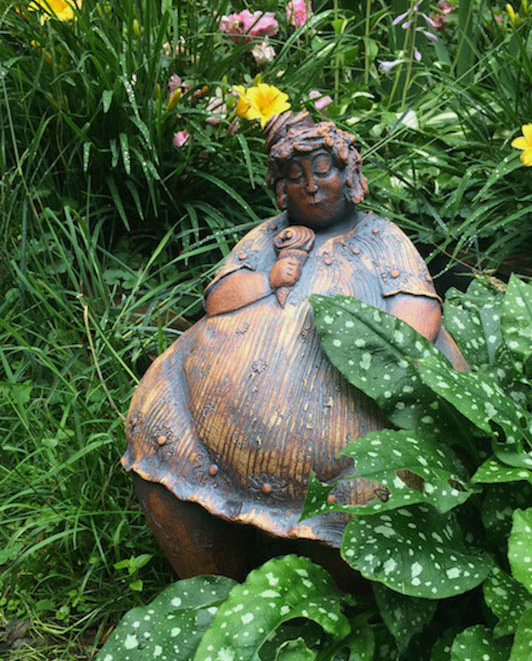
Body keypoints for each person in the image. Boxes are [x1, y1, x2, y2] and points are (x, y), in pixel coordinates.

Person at [122, 111, 468, 583]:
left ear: (348, 173)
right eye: (295, 176)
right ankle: (213, 582)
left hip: (348, 429)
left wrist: (379, 359)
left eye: (323, 171)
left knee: (368, 491)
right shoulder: (268, 237)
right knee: (158, 421)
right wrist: (271, 275)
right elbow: (217, 299)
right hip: (211, 426)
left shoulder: (381, 238)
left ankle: (338, 598)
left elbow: (419, 311)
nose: (311, 187)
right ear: (281, 187)